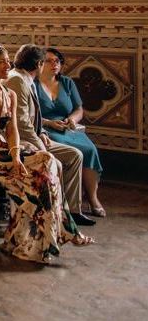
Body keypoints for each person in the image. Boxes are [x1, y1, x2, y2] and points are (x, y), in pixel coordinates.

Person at [0, 44, 94, 262]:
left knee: (47, 161)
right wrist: (8, 149)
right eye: (1, 61)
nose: (8, 65)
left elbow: (12, 130)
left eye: (7, 60)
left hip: (5, 150)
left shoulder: (9, 94)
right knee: (33, 179)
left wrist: (15, 156)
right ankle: (55, 234)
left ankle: (34, 239)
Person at [6, 44, 95, 227]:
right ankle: (54, 211)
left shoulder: (26, 79)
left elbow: (32, 118)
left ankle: (71, 211)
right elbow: (21, 123)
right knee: (66, 158)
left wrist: (43, 132)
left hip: (34, 135)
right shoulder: (17, 80)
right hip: (19, 141)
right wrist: (40, 142)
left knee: (76, 155)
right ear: (39, 64)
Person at [37, 47, 105, 217]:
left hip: (68, 127)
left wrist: (72, 120)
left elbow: (78, 109)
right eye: (49, 61)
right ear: (39, 63)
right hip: (44, 128)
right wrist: (49, 123)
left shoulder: (67, 82)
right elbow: (29, 115)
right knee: (74, 153)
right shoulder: (33, 84)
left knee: (90, 150)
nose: (54, 64)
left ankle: (92, 198)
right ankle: (68, 201)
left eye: (57, 61)